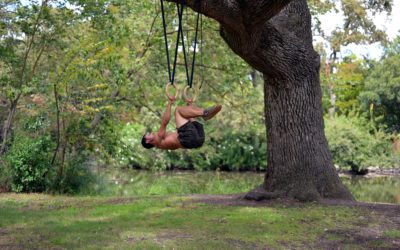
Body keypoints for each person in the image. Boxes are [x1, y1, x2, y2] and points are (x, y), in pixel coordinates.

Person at [141, 96, 222, 150]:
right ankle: (205, 113)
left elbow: (184, 129)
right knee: (178, 110)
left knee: (185, 117)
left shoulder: (162, 143)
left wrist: (190, 107)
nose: (150, 132)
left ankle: (203, 113)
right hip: (189, 138)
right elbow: (164, 122)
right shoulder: (158, 140)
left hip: (198, 141)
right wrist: (170, 103)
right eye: (147, 134)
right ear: (147, 141)